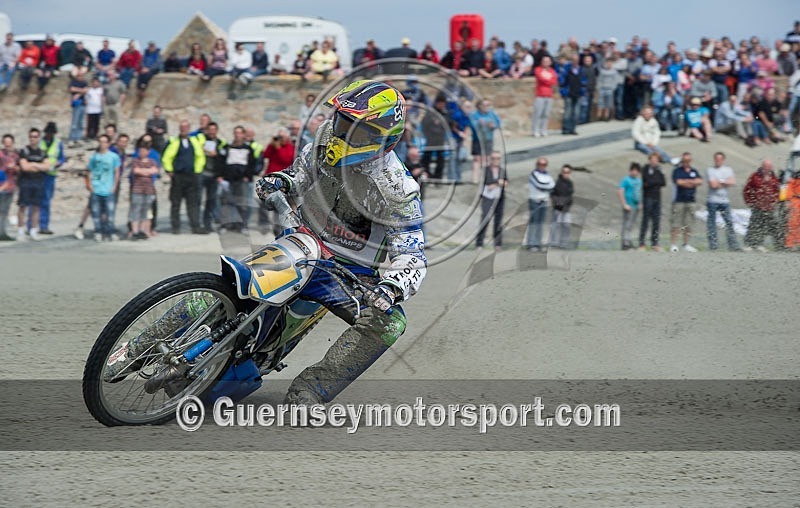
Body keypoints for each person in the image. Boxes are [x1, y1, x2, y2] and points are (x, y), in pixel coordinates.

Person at [254, 79, 425, 406]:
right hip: (300, 241)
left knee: (390, 323)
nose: (342, 134)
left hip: (347, 273)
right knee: (240, 285)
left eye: (356, 130)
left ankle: (312, 390)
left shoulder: (397, 188)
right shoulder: (322, 139)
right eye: (342, 121)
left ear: (382, 139)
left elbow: (412, 254)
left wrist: (390, 288)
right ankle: (140, 346)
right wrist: (282, 181)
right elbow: (299, 177)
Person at [162, 120, 206, 234]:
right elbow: (166, 157)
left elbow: (200, 156)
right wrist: (169, 170)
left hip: (192, 176)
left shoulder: (194, 141)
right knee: (176, 203)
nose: (183, 130)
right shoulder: (174, 141)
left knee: (193, 203)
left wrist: (198, 171)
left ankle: (195, 226)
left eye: (186, 127)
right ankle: (175, 227)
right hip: (178, 176)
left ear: (189, 128)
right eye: (182, 127)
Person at [86, 134, 121, 242]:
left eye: (104, 142)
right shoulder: (95, 157)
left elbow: (116, 172)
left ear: (108, 143)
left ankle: (110, 231)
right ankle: (98, 231)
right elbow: (89, 170)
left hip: (108, 188)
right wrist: (90, 185)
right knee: (96, 213)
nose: (102, 144)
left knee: (110, 213)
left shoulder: (113, 157)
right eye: (100, 142)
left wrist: (114, 186)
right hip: (97, 187)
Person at [16, 128, 49, 241]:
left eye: (35, 137)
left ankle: (33, 230)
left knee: (36, 207)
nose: (33, 139)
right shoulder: (24, 151)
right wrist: (38, 166)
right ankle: (20, 230)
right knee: (22, 206)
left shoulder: (42, 152)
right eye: (31, 136)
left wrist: (33, 164)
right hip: (26, 182)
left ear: (39, 138)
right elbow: (24, 167)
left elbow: (47, 167)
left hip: (38, 182)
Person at [742, 160, 780, 251]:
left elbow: (777, 191)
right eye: (766, 167)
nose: (768, 169)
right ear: (762, 167)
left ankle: (759, 244)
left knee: (765, 225)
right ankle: (749, 244)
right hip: (757, 205)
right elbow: (747, 189)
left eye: (769, 167)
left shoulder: (774, 178)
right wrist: (749, 202)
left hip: (769, 207)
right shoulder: (755, 176)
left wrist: (775, 201)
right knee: (753, 224)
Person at [705, 152, 740, 251]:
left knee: (729, 222)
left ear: (723, 160)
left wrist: (720, 181)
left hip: (725, 200)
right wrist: (725, 181)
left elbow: (733, 182)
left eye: (720, 159)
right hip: (712, 200)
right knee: (711, 223)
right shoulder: (710, 170)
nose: (718, 161)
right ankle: (713, 245)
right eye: (716, 159)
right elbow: (713, 185)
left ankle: (733, 245)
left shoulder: (728, 170)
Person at [670, 152, 703, 252]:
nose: (686, 162)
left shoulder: (694, 171)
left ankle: (686, 244)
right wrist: (692, 182)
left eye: (688, 160)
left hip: (691, 200)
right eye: (684, 161)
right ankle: (674, 244)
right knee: (676, 223)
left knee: (688, 223)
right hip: (679, 200)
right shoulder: (677, 171)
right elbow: (679, 182)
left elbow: (700, 181)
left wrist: (687, 182)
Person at [195, 122, 225, 232]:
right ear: (207, 130)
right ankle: (197, 224)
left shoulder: (220, 143)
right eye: (210, 130)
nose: (212, 132)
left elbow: (223, 159)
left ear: (217, 131)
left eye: (214, 130)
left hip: (214, 176)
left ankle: (207, 224)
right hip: (202, 173)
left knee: (211, 201)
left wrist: (221, 174)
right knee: (198, 200)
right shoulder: (200, 141)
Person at [37, 122, 64, 235]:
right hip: (38, 174)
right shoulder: (39, 142)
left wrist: (58, 163)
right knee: (35, 200)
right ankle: (32, 225)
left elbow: (61, 158)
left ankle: (44, 225)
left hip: (51, 175)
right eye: (48, 132)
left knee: (46, 200)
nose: (49, 134)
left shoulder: (58, 143)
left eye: (51, 133)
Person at [475, 151, 507, 250]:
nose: (496, 160)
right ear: (490, 159)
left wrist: (497, 184)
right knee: (485, 219)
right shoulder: (486, 170)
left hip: (499, 197)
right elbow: (488, 184)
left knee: (498, 221)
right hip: (487, 197)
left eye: (498, 158)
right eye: (494, 158)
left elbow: (506, 182)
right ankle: (479, 243)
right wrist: (498, 182)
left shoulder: (502, 170)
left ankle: (498, 244)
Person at [128, 140, 159, 239]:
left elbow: (155, 170)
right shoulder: (135, 161)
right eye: (140, 151)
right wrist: (147, 171)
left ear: (148, 152)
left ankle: (143, 230)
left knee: (145, 211)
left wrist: (144, 171)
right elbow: (136, 171)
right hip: (137, 190)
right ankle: (135, 230)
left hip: (148, 190)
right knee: (136, 210)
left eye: (144, 151)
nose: (142, 153)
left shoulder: (152, 161)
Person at [525, 157, 555, 251]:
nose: (542, 166)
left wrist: (545, 187)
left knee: (541, 224)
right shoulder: (533, 174)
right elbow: (539, 184)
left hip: (544, 201)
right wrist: (546, 187)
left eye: (544, 164)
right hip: (535, 201)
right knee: (533, 223)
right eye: (540, 164)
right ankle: (531, 244)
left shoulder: (547, 175)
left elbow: (553, 185)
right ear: (537, 164)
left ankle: (538, 244)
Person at [638, 152, 666, 251]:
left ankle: (655, 243)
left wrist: (653, 181)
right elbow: (646, 181)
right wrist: (655, 181)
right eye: (653, 159)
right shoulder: (645, 169)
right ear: (650, 160)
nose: (655, 161)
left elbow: (663, 182)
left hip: (657, 198)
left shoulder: (659, 169)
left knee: (656, 221)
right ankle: (641, 243)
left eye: (656, 159)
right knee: (645, 221)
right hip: (648, 197)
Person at [469, 99, 501, 184]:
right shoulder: (474, 114)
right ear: (479, 106)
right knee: (477, 159)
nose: (487, 107)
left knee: (487, 159)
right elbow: (472, 125)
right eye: (485, 105)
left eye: (488, 105)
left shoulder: (492, 114)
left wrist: (493, 125)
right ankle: (475, 179)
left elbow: (498, 123)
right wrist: (480, 123)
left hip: (488, 139)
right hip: (477, 139)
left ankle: (486, 178)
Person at [549, 164, 574, 249]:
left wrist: (567, 203)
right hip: (557, 208)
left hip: (566, 209)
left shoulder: (570, 183)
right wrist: (558, 202)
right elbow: (552, 194)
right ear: (561, 172)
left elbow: (570, 195)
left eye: (567, 172)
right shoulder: (557, 182)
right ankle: (553, 242)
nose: (566, 174)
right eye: (564, 172)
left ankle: (564, 243)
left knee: (566, 225)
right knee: (555, 225)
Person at [618, 162, 642, 250]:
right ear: (630, 170)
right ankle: (625, 243)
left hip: (636, 206)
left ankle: (628, 241)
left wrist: (640, 203)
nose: (635, 172)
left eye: (637, 170)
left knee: (631, 225)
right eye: (633, 170)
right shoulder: (626, 179)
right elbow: (620, 191)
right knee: (626, 225)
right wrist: (624, 204)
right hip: (628, 205)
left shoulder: (639, 181)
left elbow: (639, 192)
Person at [0, 133, 20, 241]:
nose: (8, 146)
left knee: (5, 210)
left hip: (11, 186)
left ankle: (2, 232)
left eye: (10, 144)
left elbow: (19, 169)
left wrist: (15, 167)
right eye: (6, 144)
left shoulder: (16, 155)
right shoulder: (0, 155)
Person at [532, 56, 557, 136]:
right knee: (538, 113)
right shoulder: (538, 69)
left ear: (550, 62)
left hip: (549, 95)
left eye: (548, 61)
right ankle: (535, 130)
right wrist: (548, 80)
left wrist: (547, 80)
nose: (546, 63)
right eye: (544, 61)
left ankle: (543, 129)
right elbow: (541, 78)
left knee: (546, 114)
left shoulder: (552, 71)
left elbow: (554, 81)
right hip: (540, 95)